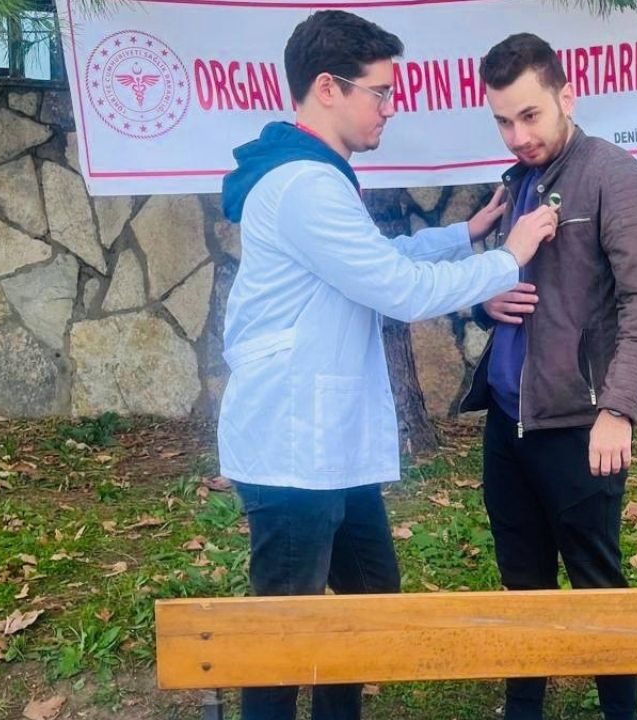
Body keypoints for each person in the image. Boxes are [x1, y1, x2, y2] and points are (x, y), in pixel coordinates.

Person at [215, 11, 557, 720]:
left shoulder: (313, 176)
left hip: (328, 450)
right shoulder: (305, 186)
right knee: (282, 638)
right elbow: (397, 290)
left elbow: (373, 261)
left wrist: (462, 235)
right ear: (327, 88)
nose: (390, 107)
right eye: (380, 92)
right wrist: (509, 256)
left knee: (369, 599)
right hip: (292, 450)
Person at [459, 32, 637, 720]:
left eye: (529, 115)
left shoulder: (613, 174)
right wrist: (486, 300)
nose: (518, 136)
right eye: (502, 120)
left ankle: (621, 714)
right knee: (522, 583)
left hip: (581, 428)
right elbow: (511, 283)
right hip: (507, 421)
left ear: (567, 98)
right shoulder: (515, 183)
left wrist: (618, 408)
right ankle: (523, 710)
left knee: (596, 585)